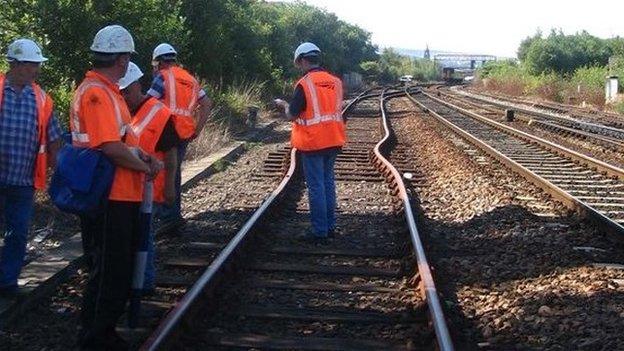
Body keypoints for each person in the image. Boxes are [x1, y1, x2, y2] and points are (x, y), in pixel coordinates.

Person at [71, 25, 162, 349]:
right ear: (121, 58)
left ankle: (103, 331)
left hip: (120, 192)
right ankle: (95, 337)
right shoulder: (97, 93)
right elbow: (109, 147)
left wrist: (143, 157)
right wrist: (144, 166)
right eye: (127, 57)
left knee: (116, 267)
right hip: (107, 194)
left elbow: (121, 141)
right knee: (108, 269)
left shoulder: (107, 91)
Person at [0, 39, 62, 297]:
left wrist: (58, 174)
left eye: (37, 65)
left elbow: (55, 137)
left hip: (23, 180)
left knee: (17, 233)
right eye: (32, 64)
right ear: (16, 64)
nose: (36, 69)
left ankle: (6, 282)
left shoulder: (42, 99)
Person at [119, 62, 181, 293]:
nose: (124, 96)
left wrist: (170, 188)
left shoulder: (160, 113)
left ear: (138, 85)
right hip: (124, 187)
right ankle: (135, 281)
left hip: (148, 188)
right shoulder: (119, 109)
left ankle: (144, 282)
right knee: (134, 235)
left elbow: (171, 154)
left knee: (142, 234)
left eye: (127, 90)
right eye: (120, 91)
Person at [275, 42, 346, 240]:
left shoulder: (305, 84)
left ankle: (319, 231)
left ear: (303, 60)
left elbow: (292, 114)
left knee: (316, 186)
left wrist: (283, 105)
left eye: (298, 63)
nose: (298, 66)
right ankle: (330, 226)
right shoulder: (335, 81)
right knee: (328, 183)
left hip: (314, 142)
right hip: (334, 139)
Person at [148, 43, 212, 230]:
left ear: (159, 62)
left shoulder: (162, 77)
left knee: (165, 172)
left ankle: (167, 216)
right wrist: (197, 129)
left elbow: (148, 103)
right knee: (174, 172)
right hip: (184, 132)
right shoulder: (190, 79)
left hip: (165, 133)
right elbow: (207, 104)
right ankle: (172, 215)